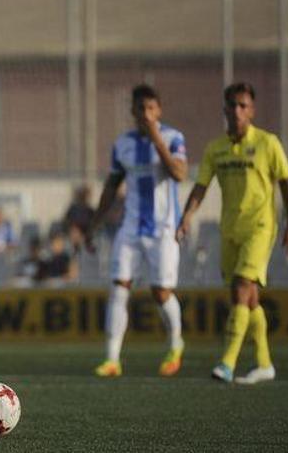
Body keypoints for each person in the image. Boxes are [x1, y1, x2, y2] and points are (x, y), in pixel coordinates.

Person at [177, 82, 288, 385]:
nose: (238, 111)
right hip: (230, 230)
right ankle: (265, 364)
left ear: (252, 110)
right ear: (225, 109)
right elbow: (201, 186)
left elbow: (285, 184)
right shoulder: (216, 149)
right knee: (248, 299)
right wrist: (187, 216)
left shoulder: (268, 144)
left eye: (244, 106)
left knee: (242, 286)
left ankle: (226, 363)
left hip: (260, 228)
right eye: (233, 105)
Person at [85, 84, 187, 378]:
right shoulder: (123, 144)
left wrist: (157, 140)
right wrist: (95, 224)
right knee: (118, 287)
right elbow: (111, 185)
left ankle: (175, 344)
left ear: (159, 110)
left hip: (163, 229)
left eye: (151, 108)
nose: (145, 114)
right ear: (132, 111)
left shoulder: (172, 138)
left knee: (160, 292)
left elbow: (179, 174)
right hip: (130, 227)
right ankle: (112, 359)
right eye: (140, 108)